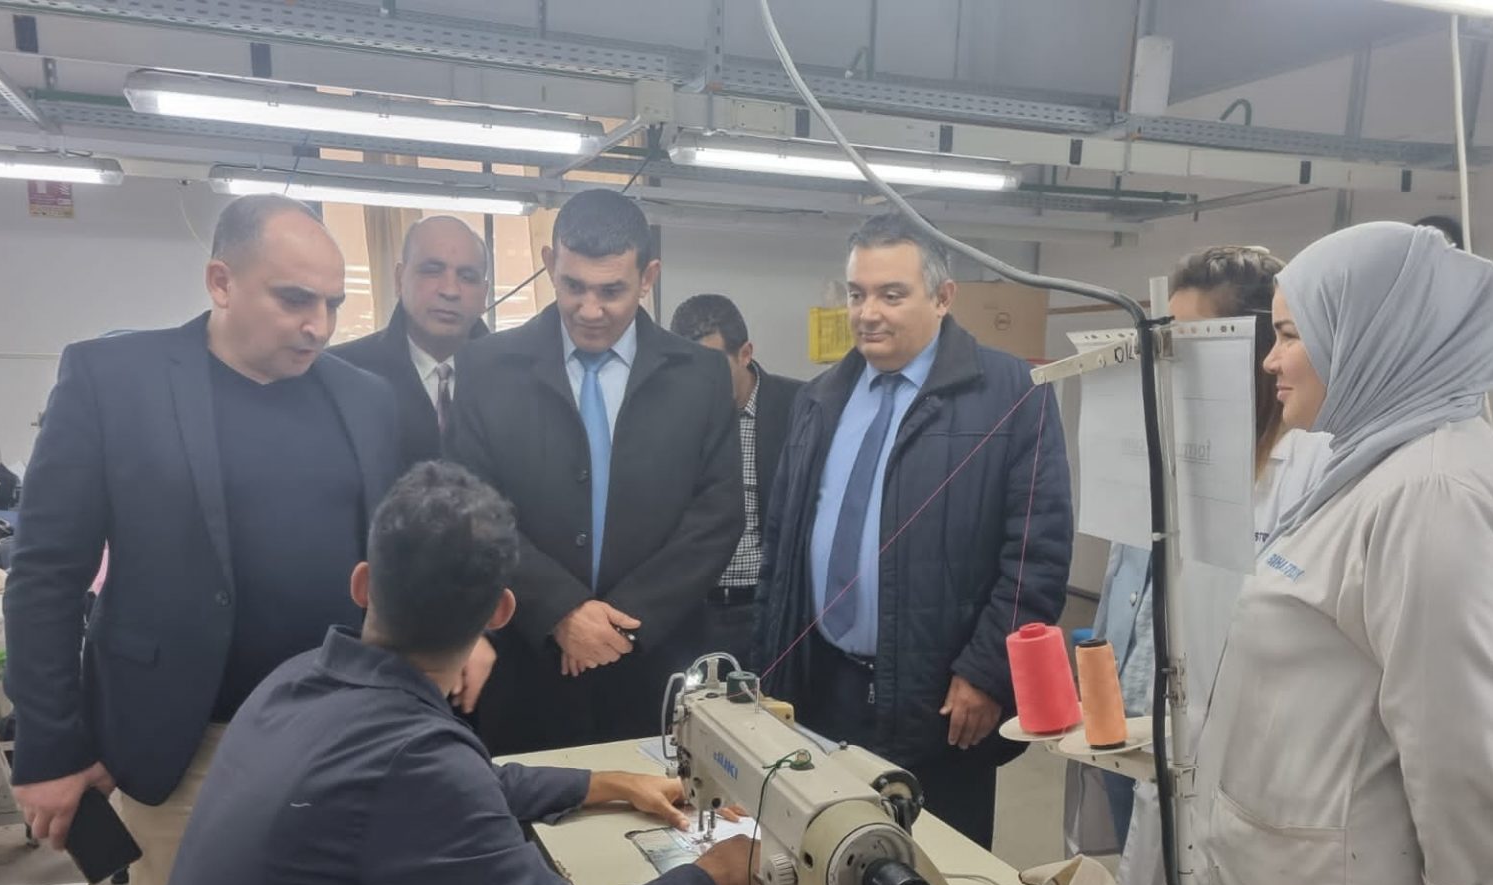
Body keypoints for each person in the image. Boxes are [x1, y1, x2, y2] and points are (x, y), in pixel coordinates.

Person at [143, 462, 758, 885]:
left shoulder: (297, 682)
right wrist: (715, 873)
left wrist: (606, 784)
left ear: (363, 583)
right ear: (501, 612)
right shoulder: (413, 761)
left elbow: (459, 789)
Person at [1, 194, 422, 885]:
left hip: (338, 734)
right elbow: (46, 573)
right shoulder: (114, 379)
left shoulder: (363, 398)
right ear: (220, 281)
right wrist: (51, 747)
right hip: (190, 742)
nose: (318, 325)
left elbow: (390, 556)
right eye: (294, 300)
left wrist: (450, 635)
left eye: (332, 303)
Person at [1199, 221, 1493, 885]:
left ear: (1371, 334)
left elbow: (1455, 725)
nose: (1270, 361)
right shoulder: (1367, 462)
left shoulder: (1430, 492)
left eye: (1291, 335)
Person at [1060, 245, 1330, 885]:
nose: (1165, 363)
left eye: (1187, 341)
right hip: (1137, 738)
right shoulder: (1174, 451)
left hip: (1229, 767)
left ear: (1249, 350)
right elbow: (1129, 585)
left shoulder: (1301, 473)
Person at [756, 212, 1073, 851]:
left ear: (943, 296)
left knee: (938, 872)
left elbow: (1035, 552)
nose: (868, 313)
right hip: (825, 686)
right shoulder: (821, 398)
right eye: (857, 294)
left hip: (942, 697)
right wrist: (770, 664)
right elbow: (782, 540)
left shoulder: (1010, 392)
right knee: (828, 861)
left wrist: (986, 672)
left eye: (891, 295)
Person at [453, 188, 743, 756]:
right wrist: (560, 610)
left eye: (611, 290)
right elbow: (473, 509)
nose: (589, 310)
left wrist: (621, 626)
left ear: (648, 276)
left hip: (656, 667)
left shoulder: (701, 376)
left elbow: (716, 516)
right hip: (528, 661)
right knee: (532, 805)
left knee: (661, 809)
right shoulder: (487, 368)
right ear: (549, 264)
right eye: (573, 286)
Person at [668, 293, 801, 669]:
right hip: (691, 613)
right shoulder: (671, 418)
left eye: (713, 367)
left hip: (768, 609)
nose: (700, 383)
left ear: (745, 354)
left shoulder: (800, 406)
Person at [333, 214, 491, 469]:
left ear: (484, 294)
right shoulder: (343, 375)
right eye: (432, 271)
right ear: (399, 279)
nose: (450, 290)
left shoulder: (518, 380)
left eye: (467, 276)